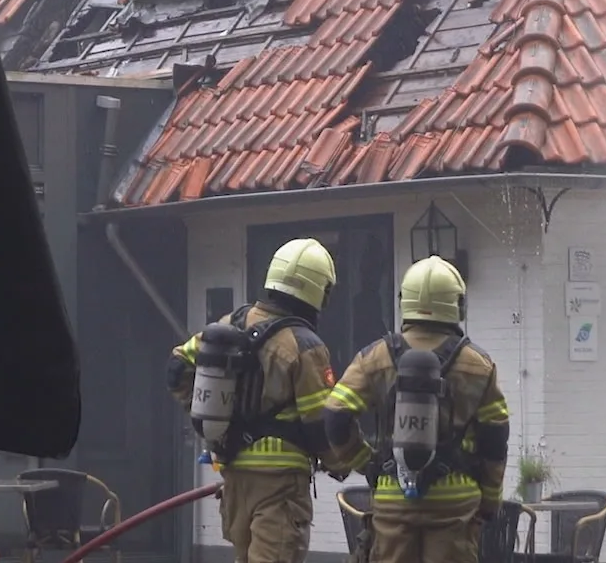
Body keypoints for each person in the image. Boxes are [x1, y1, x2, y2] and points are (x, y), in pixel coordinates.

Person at [323, 255, 509, 563]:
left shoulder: (375, 357)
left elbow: (335, 414)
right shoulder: (479, 365)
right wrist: (490, 499)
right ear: (456, 304)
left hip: (393, 500)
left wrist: (368, 464)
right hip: (455, 506)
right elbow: (494, 438)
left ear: (404, 302)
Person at [169, 238, 342, 563]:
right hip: (280, 488)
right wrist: (345, 463)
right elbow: (321, 425)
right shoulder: (305, 345)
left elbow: (177, 366)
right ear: (317, 289)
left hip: (233, 475)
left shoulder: (226, 326)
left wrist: (205, 415)